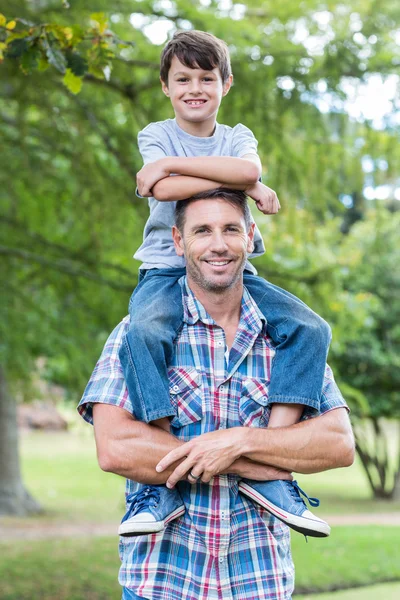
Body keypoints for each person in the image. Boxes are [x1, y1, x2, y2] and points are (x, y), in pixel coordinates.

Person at [78, 190, 355, 600]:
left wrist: (238, 441)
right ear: (177, 241)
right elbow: (116, 447)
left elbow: (337, 443)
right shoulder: (139, 334)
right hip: (161, 583)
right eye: (202, 231)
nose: (219, 244)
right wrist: (258, 462)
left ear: (250, 236)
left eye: (231, 229)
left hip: (260, 582)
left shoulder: (288, 340)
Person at [117, 29, 332, 537]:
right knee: (142, 334)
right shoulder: (155, 133)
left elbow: (238, 167)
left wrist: (195, 169)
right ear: (166, 88)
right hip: (166, 270)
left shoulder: (236, 135)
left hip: (235, 272)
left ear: (226, 83)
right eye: (182, 79)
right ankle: (159, 479)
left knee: (311, 328)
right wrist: (241, 184)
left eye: (206, 78)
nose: (195, 87)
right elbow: (165, 189)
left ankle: (271, 469)